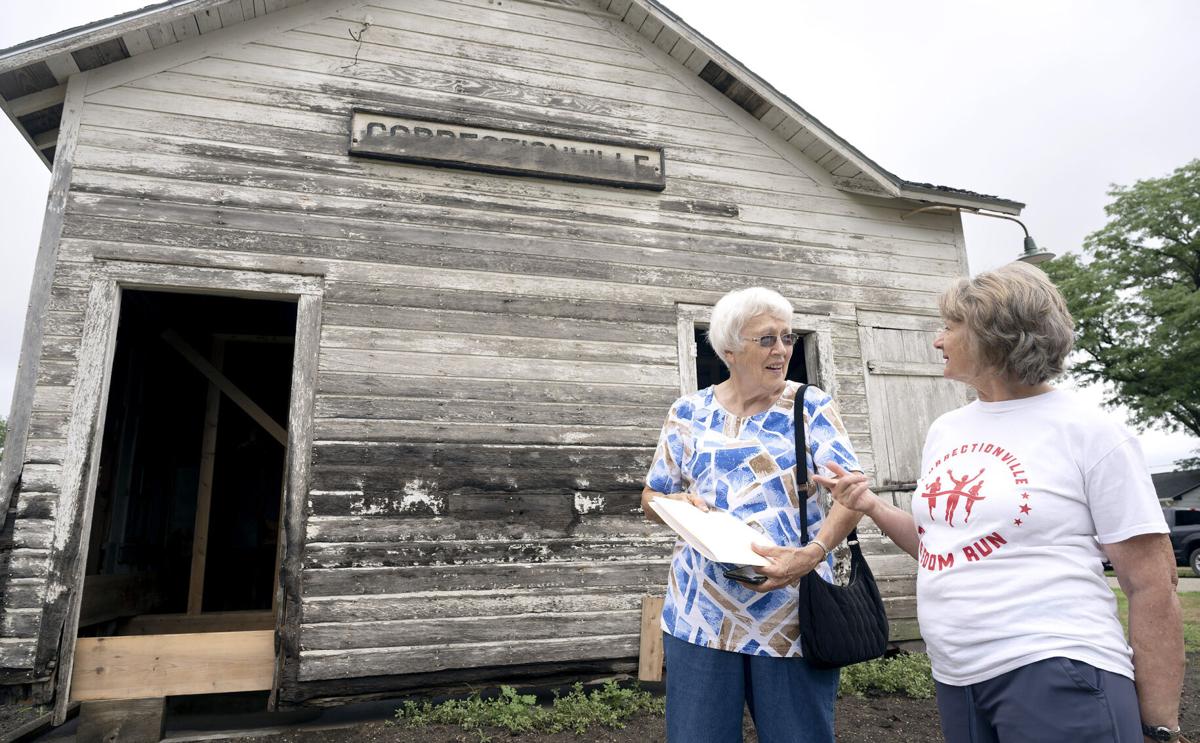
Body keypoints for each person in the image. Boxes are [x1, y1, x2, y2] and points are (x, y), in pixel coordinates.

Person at [816, 263, 1187, 743]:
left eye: (951, 326)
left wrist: (1159, 726)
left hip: (1057, 670)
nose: (937, 340)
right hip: (958, 677)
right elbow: (942, 548)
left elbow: (1152, 584)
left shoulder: (1089, 430)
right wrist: (871, 506)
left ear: (997, 335)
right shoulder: (948, 428)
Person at [641, 287, 865, 743]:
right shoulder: (688, 412)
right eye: (766, 339)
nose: (781, 350)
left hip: (790, 613)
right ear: (728, 350)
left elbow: (852, 495)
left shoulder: (810, 406)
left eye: (787, 338)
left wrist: (812, 553)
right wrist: (672, 505)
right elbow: (652, 494)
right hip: (699, 611)